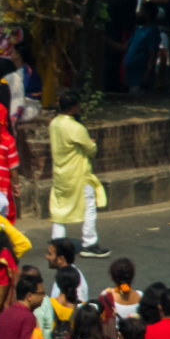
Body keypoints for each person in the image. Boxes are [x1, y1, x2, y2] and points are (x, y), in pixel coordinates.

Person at [48, 92, 107, 257]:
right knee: (89, 207)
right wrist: (92, 143)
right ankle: (90, 243)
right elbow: (90, 150)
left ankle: (57, 242)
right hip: (78, 174)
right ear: (74, 107)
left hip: (60, 173)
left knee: (59, 208)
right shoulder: (76, 127)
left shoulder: (54, 123)